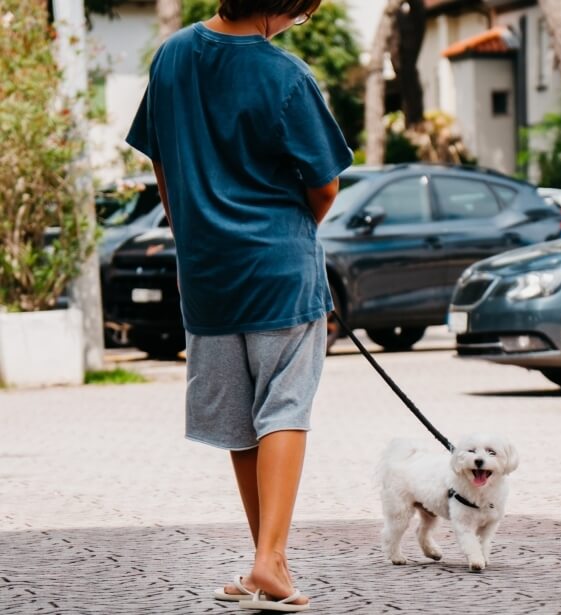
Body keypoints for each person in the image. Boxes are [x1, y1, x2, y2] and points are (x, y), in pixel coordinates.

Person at [125, 0, 353, 610]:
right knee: (282, 406)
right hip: (280, 269)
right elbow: (325, 183)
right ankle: (270, 563)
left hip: (207, 273)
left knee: (239, 422)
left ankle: (264, 561)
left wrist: (187, 229)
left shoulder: (171, 56)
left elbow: (162, 160)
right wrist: (293, 234)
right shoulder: (285, 76)